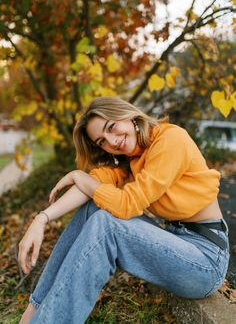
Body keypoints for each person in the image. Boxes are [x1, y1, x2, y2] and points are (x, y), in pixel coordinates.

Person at [18, 96, 229, 324]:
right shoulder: (132, 160)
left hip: (206, 260)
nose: (112, 141)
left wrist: (78, 176)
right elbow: (90, 187)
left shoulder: (171, 139)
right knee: (94, 205)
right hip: (177, 241)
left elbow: (127, 204)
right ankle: (32, 313)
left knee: (108, 225)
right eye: (102, 142)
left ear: (127, 115)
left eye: (111, 127)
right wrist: (42, 218)